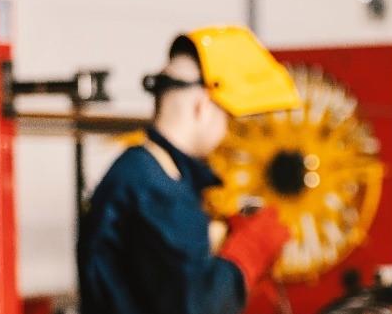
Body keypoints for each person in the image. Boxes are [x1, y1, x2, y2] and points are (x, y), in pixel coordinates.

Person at [78, 26, 301, 314]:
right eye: (228, 118)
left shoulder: (149, 175)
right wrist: (249, 251)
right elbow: (197, 306)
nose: (227, 133)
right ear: (203, 106)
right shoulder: (154, 189)